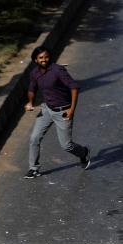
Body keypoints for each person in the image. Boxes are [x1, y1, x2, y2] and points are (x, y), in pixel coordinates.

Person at [24, 45, 91, 179]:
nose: (44, 59)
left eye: (46, 57)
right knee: (34, 138)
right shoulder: (35, 73)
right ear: (35, 60)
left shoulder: (58, 70)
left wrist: (72, 110)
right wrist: (30, 102)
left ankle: (83, 152)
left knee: (66, 145)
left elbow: (74, 88)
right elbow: (32, 89)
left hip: (63, 111)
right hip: (47, 109)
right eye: (41, 57)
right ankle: (33, 168)